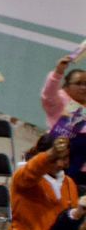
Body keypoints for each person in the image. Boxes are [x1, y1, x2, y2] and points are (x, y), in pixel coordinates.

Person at [6, 135, 76, 230]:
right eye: (56, 159)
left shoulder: (69, 184)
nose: (61, 164)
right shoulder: (23, 176)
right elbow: (31, 172)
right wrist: (51, 154)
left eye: (65, 158)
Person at [42, 53, 86, 184]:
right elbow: (48, 94)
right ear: (66, 86)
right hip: (58, 160)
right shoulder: (58, 101)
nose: (84, 87)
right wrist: (58, 73)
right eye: (78, 83)